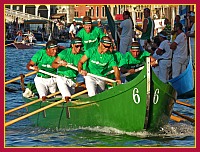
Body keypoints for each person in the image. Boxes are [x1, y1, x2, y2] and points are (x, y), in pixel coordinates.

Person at [52, 37, 84, 102]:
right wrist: (60, 64)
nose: (79, 48)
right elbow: (53, 65)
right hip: (62, 78)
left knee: (71, 95)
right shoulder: (64, 53)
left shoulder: (82, 55)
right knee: (67, 97)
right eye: (77, 46)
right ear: (72, 45)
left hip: (73, 79)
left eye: (81, 46)